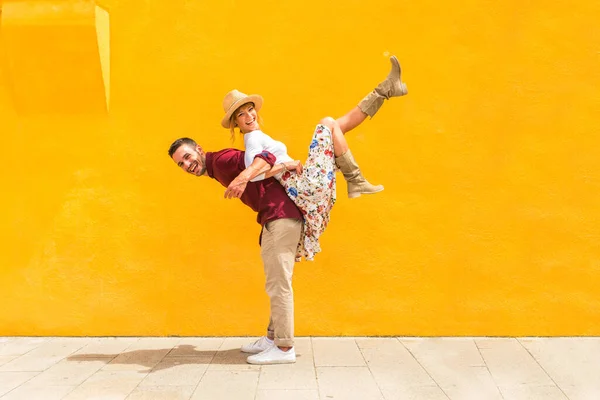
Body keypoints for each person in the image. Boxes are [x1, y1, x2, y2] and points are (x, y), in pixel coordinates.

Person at [167, 55, 407, 365]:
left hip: (289, 208)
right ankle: (385, 90)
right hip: (285, 208)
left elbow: (263, 159)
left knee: (278, 282)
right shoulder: (222, 163)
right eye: (181, 164)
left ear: (199, 149)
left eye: (187, 157)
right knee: (334, 126)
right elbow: (268, 164)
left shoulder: (223, 160)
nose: (187, 165)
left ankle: (282, 347)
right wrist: (283, 167)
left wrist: (243, 177)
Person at [221, 56, 407, 261]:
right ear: (236, 124)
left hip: (305, 188)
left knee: (337, 126)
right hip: (306, 185)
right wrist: (287, 164)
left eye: (250, 109)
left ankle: (386, 89)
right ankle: (356, 179)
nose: (249, 116)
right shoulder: (253, 139)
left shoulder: (257, 136)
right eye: (241, 115)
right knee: (327, 123)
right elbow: (253, 175)